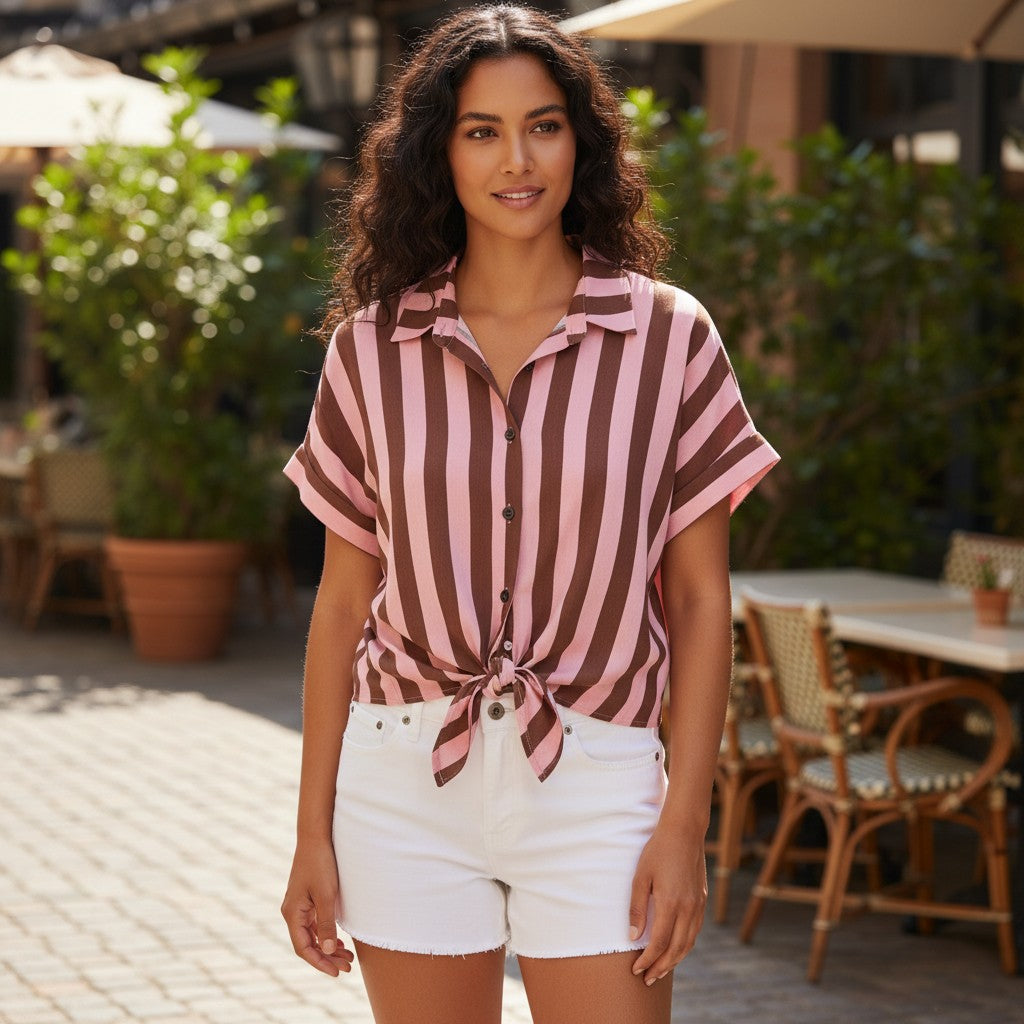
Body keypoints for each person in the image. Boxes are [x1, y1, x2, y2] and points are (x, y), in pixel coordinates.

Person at [280, 5, 779, 1023]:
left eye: (543, 124)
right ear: (440, 153)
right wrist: (311, 832)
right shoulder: (370, 350)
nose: (518, 158)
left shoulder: (667, 337)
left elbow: (696, 602)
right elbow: (341, 608)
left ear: (580, 140)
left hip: (598, 772)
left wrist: (685, 820)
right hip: (404, 769)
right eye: (482, 130)